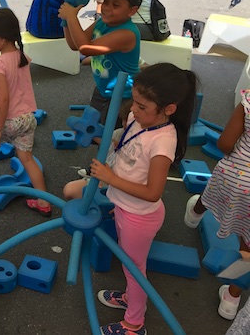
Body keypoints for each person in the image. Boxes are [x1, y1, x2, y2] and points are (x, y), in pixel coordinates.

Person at [91, 63, 198, 335]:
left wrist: (111, 179)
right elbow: (132, 153)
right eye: (134, 102)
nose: (133, 110)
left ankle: (134, 324)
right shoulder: (140, 120)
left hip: (140, 215)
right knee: (131, 267)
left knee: (134, 270)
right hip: (125, 207)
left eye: (142, 106)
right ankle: (130, 298)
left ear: (169, 109)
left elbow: (153, 192)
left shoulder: (163, 141)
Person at [0, 8, 51, 216]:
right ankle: (44, 201)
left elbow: (3, 100)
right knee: (27, 159)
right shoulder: (22, 57)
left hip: (7, 120)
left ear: (2, 38)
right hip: (28, 119)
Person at [184, 89, 250, 320]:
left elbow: (225, 143)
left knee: (211, 194)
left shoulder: (249, 101)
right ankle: (231, 299)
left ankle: (194, 214)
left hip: (236, 175)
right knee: (249, 242)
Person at [58, 0, 142, 124]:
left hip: (123, 96)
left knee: (112, 137)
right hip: (104, 89)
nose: (107, 8)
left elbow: (85, 48)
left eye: (116, 5)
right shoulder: (102, 22)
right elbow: (74, 45)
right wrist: (65, 22)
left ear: (132, 10)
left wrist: (72, 17)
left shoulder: (127, 33)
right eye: (106, 2)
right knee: (95, 129)